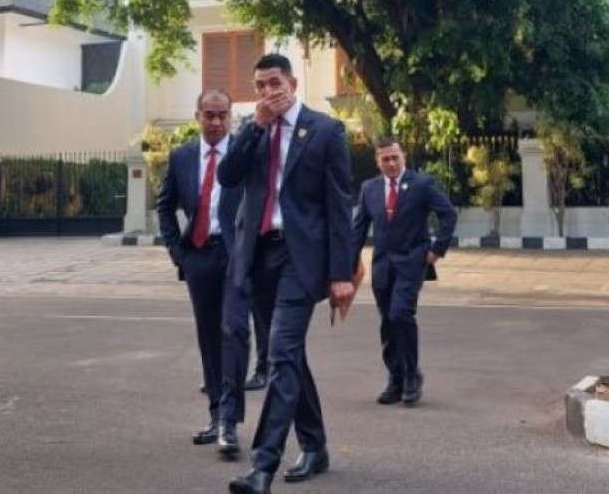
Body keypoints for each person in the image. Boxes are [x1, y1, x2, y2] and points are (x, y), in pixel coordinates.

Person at [221, 53, 354, 494]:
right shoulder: (254, 130)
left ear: (293, 83)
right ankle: (315, 445)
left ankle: (262, 467)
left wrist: (341, 274)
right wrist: (253, 126)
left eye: (274, 83)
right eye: (259, 86)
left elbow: (339, 208)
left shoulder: (325, 131)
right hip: (260, 257)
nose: (267, 93)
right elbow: (228, 175)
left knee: (279, 353)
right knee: (289, 356)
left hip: (302, 260)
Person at [156, 90, 243, 450]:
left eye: (223, 115)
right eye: (210, 115)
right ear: (197, 116)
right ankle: (215, 415)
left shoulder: (245, 153)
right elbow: (164, 206)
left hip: (236, 255)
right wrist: (179, 254)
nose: (217, 122)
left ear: (231, 116)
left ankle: (230, 422)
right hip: (199, 258)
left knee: (233, 332)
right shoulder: (182, 157)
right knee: (209, 336)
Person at [350, 135, 457, 406]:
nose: (391, 163)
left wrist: (437, 249)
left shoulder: (422, 184)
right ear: (377, 162)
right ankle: (394, 379)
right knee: (387, 323)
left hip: (412, 262)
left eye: (395, 157)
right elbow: (358, 230)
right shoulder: (369, 189)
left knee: (400, 314)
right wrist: (345, 266)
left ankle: (412, 375)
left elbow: (448, 214)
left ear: (403, 157)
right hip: (382, 266)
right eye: (385, 159)